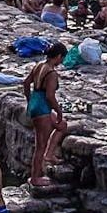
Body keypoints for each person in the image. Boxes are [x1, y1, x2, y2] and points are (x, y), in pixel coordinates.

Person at [24, 43, 68, 186]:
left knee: (62, 125)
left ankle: (50, 155)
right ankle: (35, 178)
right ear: (59, 56)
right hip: (42, 108)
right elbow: (50, 96)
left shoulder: (38, 66)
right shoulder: (51, 73)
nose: (61, 62)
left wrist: (30, 100)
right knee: (40, 146)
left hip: (35, 103)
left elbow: (26, 83)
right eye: (62, 58)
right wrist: (59, 110)